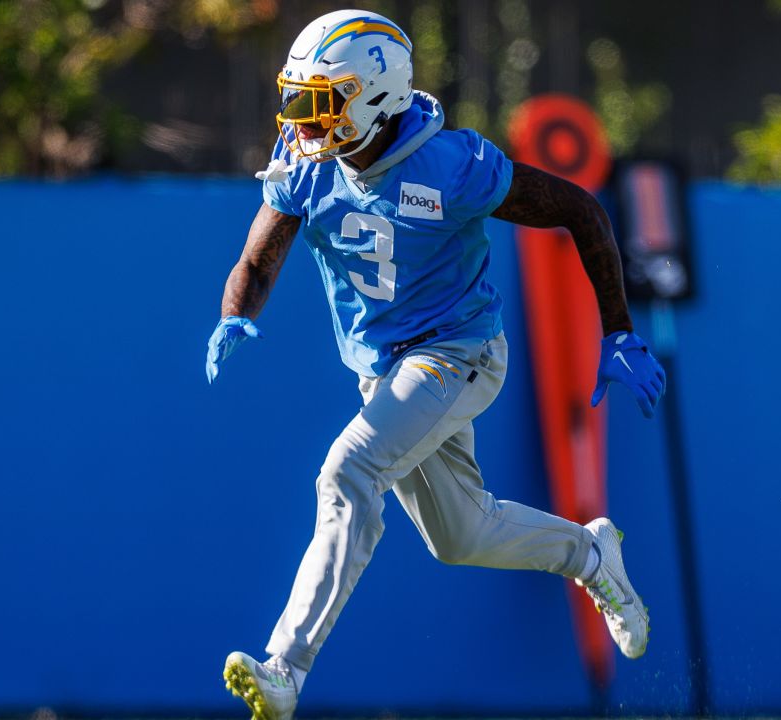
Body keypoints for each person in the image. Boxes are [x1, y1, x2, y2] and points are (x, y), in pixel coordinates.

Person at [205, 10, 666, 720]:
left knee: (347, 471)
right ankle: (591, 555)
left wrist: (619, 332)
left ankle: (285, 668)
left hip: (459, 353)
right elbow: (260, 253)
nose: (303, 119)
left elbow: (581, 210)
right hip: (384, 372)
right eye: (299, 98)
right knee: (460, 535)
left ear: (374, 95)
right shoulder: (306, 164)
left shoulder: (452, 166)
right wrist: (238, 312)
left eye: (321, 100)